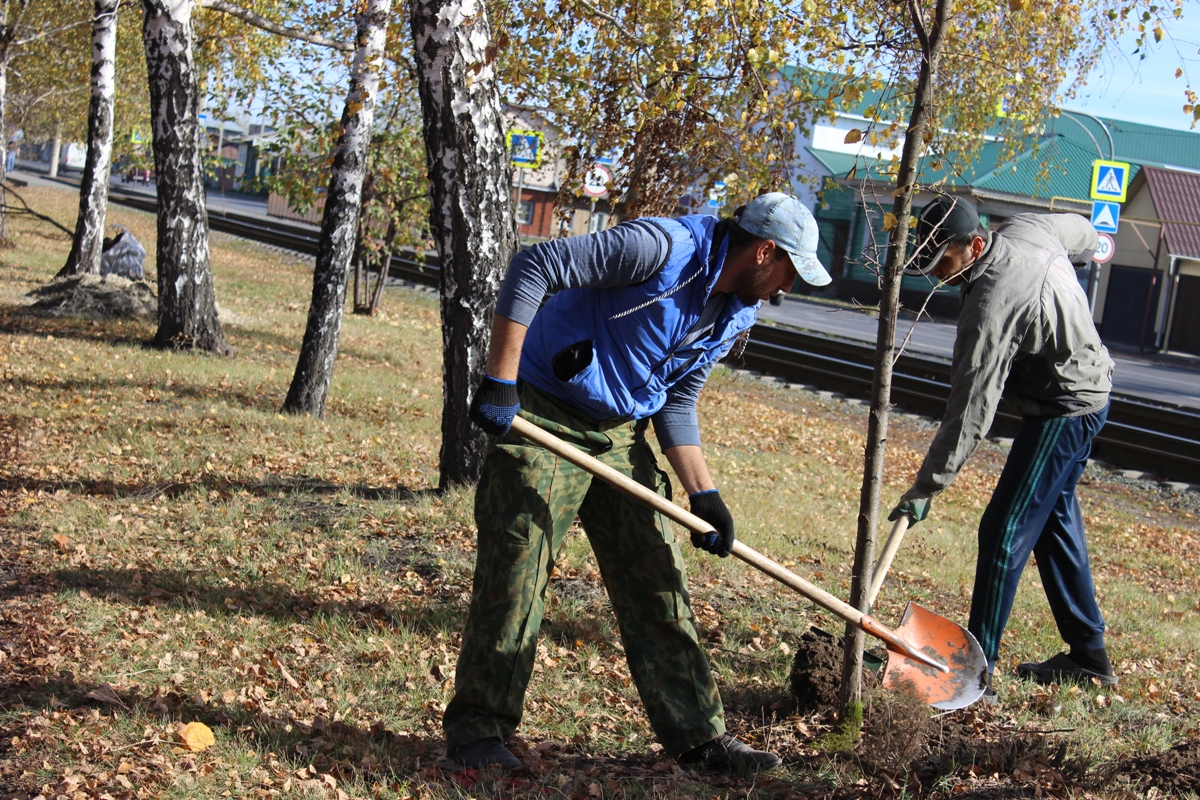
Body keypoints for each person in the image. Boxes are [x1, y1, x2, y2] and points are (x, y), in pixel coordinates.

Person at [445, 193, 831, 773]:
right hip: (545, 415)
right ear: (764, 251)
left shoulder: (736, 312)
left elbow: (677, 399)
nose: (786, 289)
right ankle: (478, 735)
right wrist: (501, 380)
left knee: (658, 574)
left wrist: (705, 494)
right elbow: (535, 265)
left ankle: (700, 740)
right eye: (789, 272)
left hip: (621, 436)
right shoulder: (661, 248)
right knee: (517, 565)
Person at [888, 195, 1116, 697]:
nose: (935, 275)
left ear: (974, 244)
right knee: (1054, 522)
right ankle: (1090, 656)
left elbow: (971, 409)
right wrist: (1084, 257)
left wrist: (928, 486)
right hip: (1087, 392)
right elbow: (1080, 230)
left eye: (940, 262)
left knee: (1004, 527)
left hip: (1066, 407)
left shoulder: (991, 302)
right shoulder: (1030, 227)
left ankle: (978, 671)